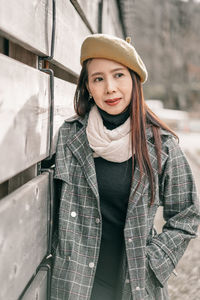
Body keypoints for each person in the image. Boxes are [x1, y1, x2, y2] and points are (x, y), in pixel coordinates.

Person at [50, 34, 200, 300]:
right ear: (88, 86)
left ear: (134, 79)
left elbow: (187, 214)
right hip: (76, 285)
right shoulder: (69, 137)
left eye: (118, 75)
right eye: (98, 78)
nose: (109, 88)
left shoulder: (161, 146)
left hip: (136, 287)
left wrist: (154, 263)